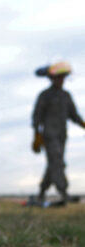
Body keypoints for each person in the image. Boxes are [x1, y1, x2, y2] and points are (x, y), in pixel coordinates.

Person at [32, 62, 85, 204]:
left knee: (53, 164)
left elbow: (74, 115)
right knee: (58, 162)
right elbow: (37, 116)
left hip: (62, 136)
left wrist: (83, 124)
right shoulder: (45, 95)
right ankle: (64, 192)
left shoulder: (66, 96)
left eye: (63, 77)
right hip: (49, 135)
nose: (61, 80)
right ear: (52, 78)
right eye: (58, 77)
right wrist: (37, 135)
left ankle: (41, 192)